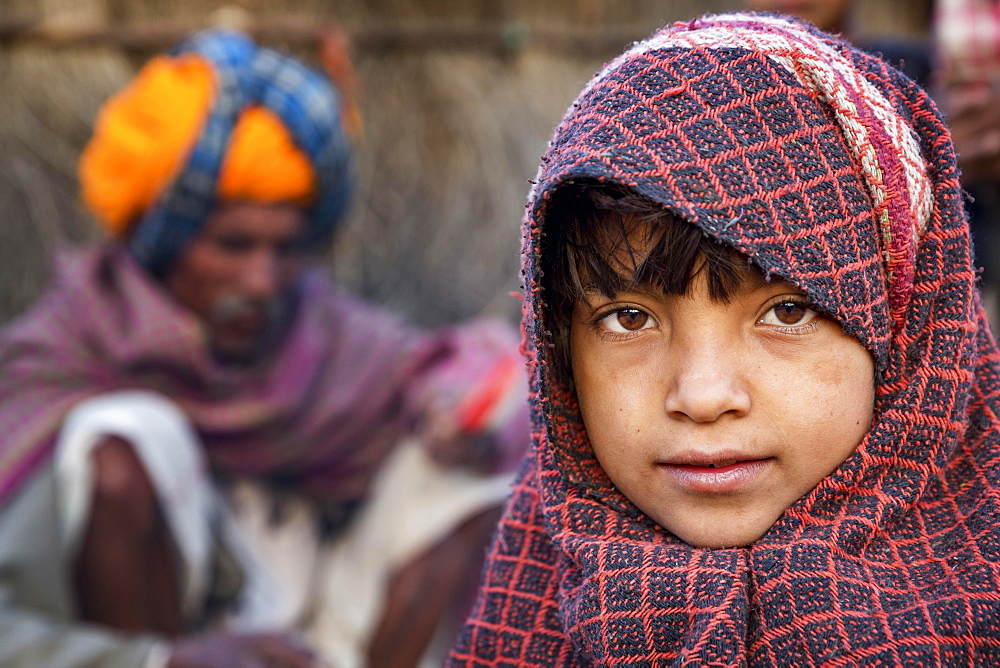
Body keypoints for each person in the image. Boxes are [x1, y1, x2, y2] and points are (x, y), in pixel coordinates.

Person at [450, 11, 1000, 664]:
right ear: (561, 355)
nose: (704, 396)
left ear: (904, 332)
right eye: (629, 319)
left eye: (790, 311)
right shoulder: (529, 601)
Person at [0, 29, 528, 666]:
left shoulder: (326, 333)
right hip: (175, 649)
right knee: (122, 434)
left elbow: (460, 362)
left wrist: (459, 410)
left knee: (482, 454)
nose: (262, 280)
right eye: (233, 245)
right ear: (161, 241)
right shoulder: (70, 345)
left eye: (285, 249)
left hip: (332, 636)